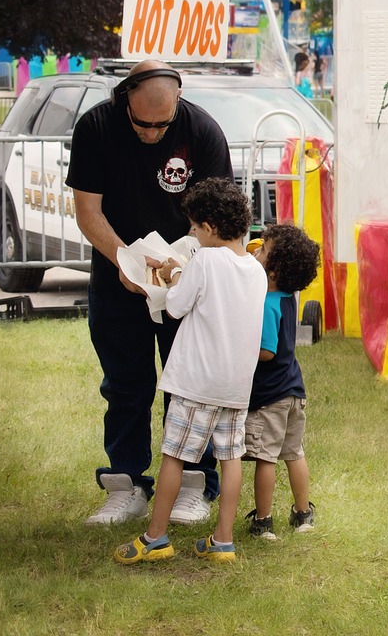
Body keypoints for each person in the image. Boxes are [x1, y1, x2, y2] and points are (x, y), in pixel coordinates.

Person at [69, 61, 234, 527]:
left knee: (190, 387)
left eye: (163, 124)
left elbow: (213, 214)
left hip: (186, 279)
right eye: (143, 122)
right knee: (125, 386)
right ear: (125, 99)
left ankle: (193, 485)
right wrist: (126, 262)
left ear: (178, 101)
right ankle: (125, 485)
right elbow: (87, 210)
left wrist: (179, 263)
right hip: (117, 280)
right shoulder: (96, 128)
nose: (153, 132)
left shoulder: (202, 131)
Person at [113, 178, 266, 566]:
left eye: (194, 227)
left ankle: (154, 537)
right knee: (230, 460)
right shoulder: (255, 269)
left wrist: (175, 271)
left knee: (174, 457)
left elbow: (176, 306)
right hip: (234, 387)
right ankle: (223, 541)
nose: (191, 234)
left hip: (197, 383)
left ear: (210, 228)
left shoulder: (205, 259)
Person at [244, 222, 320, 540]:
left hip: (270, 395)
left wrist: (238, 348)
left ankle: (263, 522)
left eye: (262, 250)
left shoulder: (266, 303)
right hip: (293, 391)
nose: (256, 250)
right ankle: (303, 514)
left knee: (266, 458)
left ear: (273, 272)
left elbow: (265, 352)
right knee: (294, 453)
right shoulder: (288, 296)